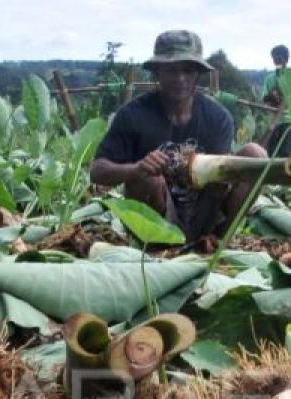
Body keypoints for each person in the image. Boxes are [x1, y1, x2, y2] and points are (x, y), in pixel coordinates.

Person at [90, 30, 267, 244]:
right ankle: (158, 246)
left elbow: (219, 183)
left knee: (256, 155)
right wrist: (137, 168)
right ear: (157, 72)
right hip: (156, 218)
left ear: (197, 74)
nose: (180, 78)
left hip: (205, 213)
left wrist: (222, 177)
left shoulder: (218, 118)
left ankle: (218, 241)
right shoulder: (133, 115)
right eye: (171, 70)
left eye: (187, 70)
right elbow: (97, 171)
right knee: (148, 177)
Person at [261, 44, 291, 157]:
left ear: (286, 59)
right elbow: (265, 99)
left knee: (285, 155)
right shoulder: (269, 79)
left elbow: (288, 100)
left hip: (288, 122)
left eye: (278, 58)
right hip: (273, 121)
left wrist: (277, 117)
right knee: (270, 153)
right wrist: (270, 106)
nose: (276, 61)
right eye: (274, 58)